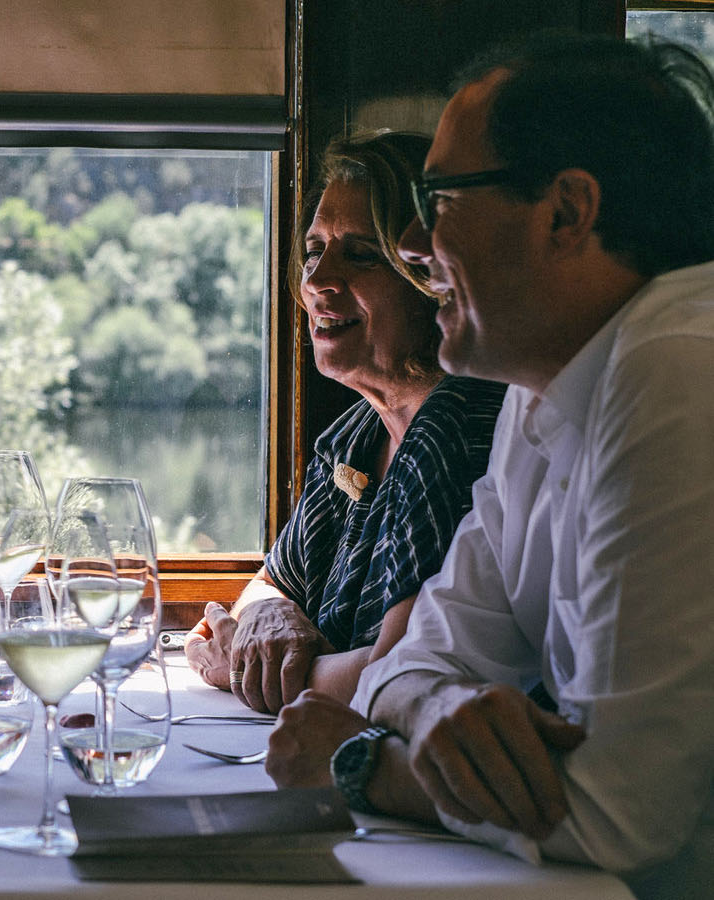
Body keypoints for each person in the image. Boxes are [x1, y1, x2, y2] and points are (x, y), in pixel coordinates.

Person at [264, 32, 714, 899]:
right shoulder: (539, 392)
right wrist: (435, 706)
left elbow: (618, 817)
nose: (415, 243)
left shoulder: (678, 371)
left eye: (438, 200)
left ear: (566, 213)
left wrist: (364, 764)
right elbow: (409, 663)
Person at [184, 131, 505, 713]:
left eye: (360, 254)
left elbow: (399, 672)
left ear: (432, 279)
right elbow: (269, 584)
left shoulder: (458, 425)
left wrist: (248, 666)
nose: (316, 280)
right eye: (313, 251)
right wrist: (269, 615)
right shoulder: (355, 436)